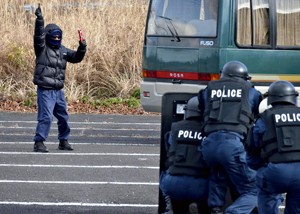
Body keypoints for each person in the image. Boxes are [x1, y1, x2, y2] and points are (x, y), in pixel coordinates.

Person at [198, 61, 262, 214]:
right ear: (245, 78)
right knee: (254, 189)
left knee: (217, 176)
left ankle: (215, 209)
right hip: (232, 144)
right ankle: (234, 211)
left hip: (208, 145)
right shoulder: (250, 91)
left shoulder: (209, 89)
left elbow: (201, 106)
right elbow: (258, 113)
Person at [33, 5, 87, 152]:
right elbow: (38, 36)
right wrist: (40, 20)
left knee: (63, 117)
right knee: (46, 117)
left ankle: (63, 141)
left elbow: (76, 58)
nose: (56, 38)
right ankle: (39, 142)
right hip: (45, 90)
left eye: (58, 36)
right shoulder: (42, 48)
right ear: (48, 36)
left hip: (58, 91)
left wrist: (82, 46)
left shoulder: (62, 50)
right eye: (54, 36)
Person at [246, 80, 300, 214]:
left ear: (270, 98)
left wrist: (260, 166)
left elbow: (252, 147)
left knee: (266, 195)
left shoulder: (264, 118)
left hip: (275, 172)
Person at [159, 96, 210, 214]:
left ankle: (169, 206)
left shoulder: (175, 129)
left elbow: (169, 152)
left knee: (165, 174)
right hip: (201, 186)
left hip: (174, 184)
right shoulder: (210, 132)